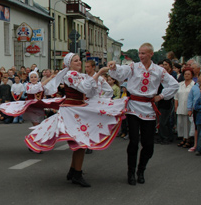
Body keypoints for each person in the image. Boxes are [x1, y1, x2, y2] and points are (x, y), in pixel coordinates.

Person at [26, 53, 126, 187]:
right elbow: (84, 88)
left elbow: (89, 92)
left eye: (79, 60)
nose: (79, 62)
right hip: (72, 111)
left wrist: (98, 79)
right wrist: (100, 72)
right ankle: (76, 173)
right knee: (80, 142)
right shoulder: (70, 75)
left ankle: (74, 171)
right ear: (69, 64)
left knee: (80, 142)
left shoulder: (80, 75)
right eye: (76, 61)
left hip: (79, 108)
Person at [108, 42, 179, 185]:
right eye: (139, 53)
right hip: (133, 107)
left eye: (143, 53)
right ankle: (131, 172)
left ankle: (141, 170)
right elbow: (121, 72)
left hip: (149, 109)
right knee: (133, 142)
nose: (140, 56)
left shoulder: (159, 70)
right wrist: (114, 66)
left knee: (148, 145)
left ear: (151, 54)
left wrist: (161, 96)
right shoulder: (134, 67)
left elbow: (174, 84)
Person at [175, 67, 195, 149]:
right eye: (185, 74)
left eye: (188, 74)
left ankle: (188, 139)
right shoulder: (180, 84)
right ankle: (183, 138)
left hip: (189, 107)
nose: (186, 75)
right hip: (180, 106)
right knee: (181, 123)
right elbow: (176, 96)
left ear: (192, 75)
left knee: (188, 124)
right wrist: (176, 106)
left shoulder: (194, 85)